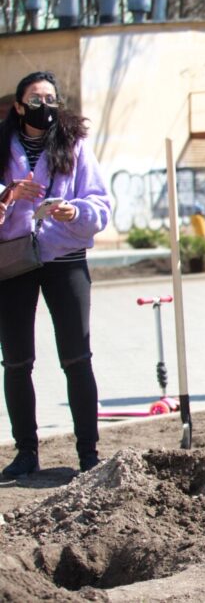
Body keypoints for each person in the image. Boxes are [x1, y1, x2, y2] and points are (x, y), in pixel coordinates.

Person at [0, 71, 111, 478]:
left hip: (65, 256)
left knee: (77, 358)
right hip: (13, 260)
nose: (43, 106)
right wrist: (7, 196)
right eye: (35, 99)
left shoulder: (75, 144)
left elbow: (100, 203)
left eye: (50, 98)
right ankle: (26, 452)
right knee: (15, 361)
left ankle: (88, 453)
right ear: (18, 106)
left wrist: (74, 211)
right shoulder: (1, 146)